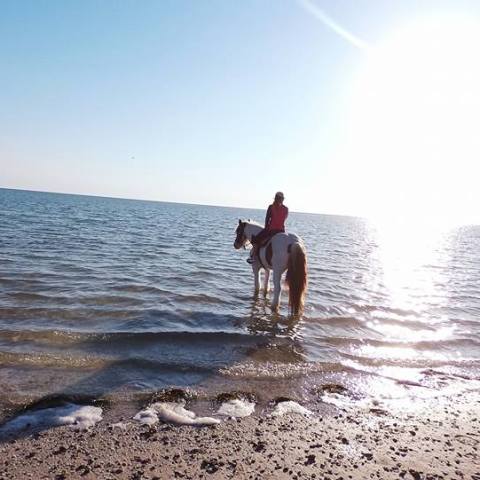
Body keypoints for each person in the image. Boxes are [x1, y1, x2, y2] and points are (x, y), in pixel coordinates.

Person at [247, 192, 288, 264]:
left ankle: (253, 257)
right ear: (282, 199)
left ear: (275, 198)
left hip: (272, 230)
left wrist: (266, 228)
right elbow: (284, 219)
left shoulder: (271, 207)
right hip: (282, 231)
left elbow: (267, 219)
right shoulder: (286, 209)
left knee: (255, 239)